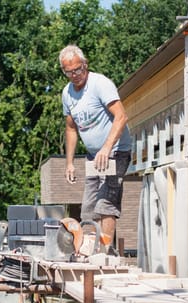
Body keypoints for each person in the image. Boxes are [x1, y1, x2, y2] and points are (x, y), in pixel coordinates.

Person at [59, 44, 132, 255]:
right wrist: (70, 162)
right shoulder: (67, 93)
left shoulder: (100, 84)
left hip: (116, 150)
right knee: (88, 208)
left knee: (106, 203)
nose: (75, 75)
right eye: (69, 72)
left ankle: (104, 251)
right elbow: (71, 128)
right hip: (93, 156)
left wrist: (107, 147)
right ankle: (87, 251)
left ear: (85, 64)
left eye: (78, 70)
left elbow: (121, 116)